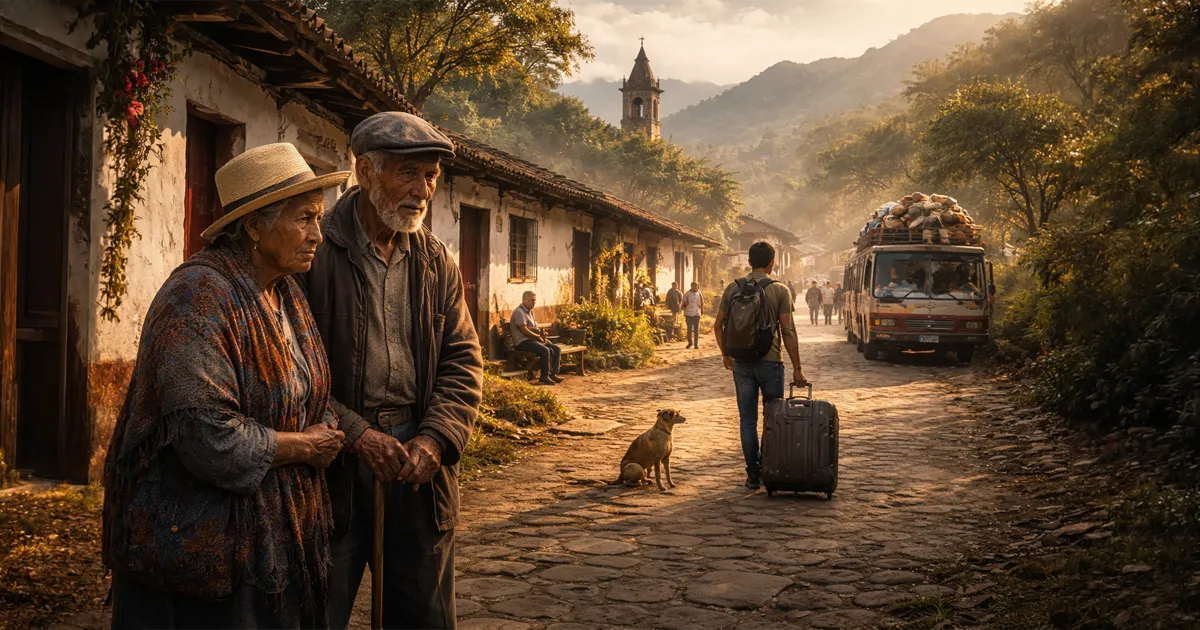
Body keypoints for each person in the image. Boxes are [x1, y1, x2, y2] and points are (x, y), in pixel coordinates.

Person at [103, 143, 349, 629]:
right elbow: (205, 433)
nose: (317, 235)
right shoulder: (198, 296)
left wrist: (327, 424)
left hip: (277, 540)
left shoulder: (285, 294)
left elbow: (307, 392)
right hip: (206, 554)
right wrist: (303, 446)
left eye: (318, 218)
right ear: (254, 226)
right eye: (303, 219)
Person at [301, 112, 483, 630]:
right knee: (317, 605)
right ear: (364, 171)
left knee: (423, 610)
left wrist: (436, 438)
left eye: (430, 177)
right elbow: (293, 369)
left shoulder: (435, 261)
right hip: (332, 460)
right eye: (408, 174)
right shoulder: (315, 251)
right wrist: (356, 433)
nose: (422, 190)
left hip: (417, 460)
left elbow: (463, 359)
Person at [714, 242, 807, 489]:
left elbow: (717, 325)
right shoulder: (780, 290)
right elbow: (787, 330)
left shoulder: (732, 288)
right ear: (772, 263)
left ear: (749, 262)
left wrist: (726, 354)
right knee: (772, 418)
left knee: (747, 420)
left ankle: (752, 473)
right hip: (771, 362)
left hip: (741, 363)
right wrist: (797, 366)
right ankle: (767, 466)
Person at [511, 291, 562, 385]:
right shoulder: (519, 312)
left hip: (532, 340)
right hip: (522, 342)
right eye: (532, 300)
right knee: (545, 350)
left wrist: (542, 334)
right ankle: (544, 376)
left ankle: (553, 374)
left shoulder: (531, 313)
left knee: (556, 348)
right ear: (525, 301)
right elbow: (524, 330)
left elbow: (535, 328)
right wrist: (537, 337)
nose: (534, 302)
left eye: (535, 300)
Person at [682, 281, 704, 349]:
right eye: (693, 286)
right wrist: (683, 308)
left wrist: (702, 311)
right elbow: (683, 302)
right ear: (691, 286)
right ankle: (689, 342)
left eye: (696, 286)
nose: (695, 288)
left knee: (696, 329)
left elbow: (702, 303)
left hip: (696, 314)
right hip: (688, 314)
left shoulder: (699, 294)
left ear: (698, 287)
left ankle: (696, 344)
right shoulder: (687, 294)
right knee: (689, 329)